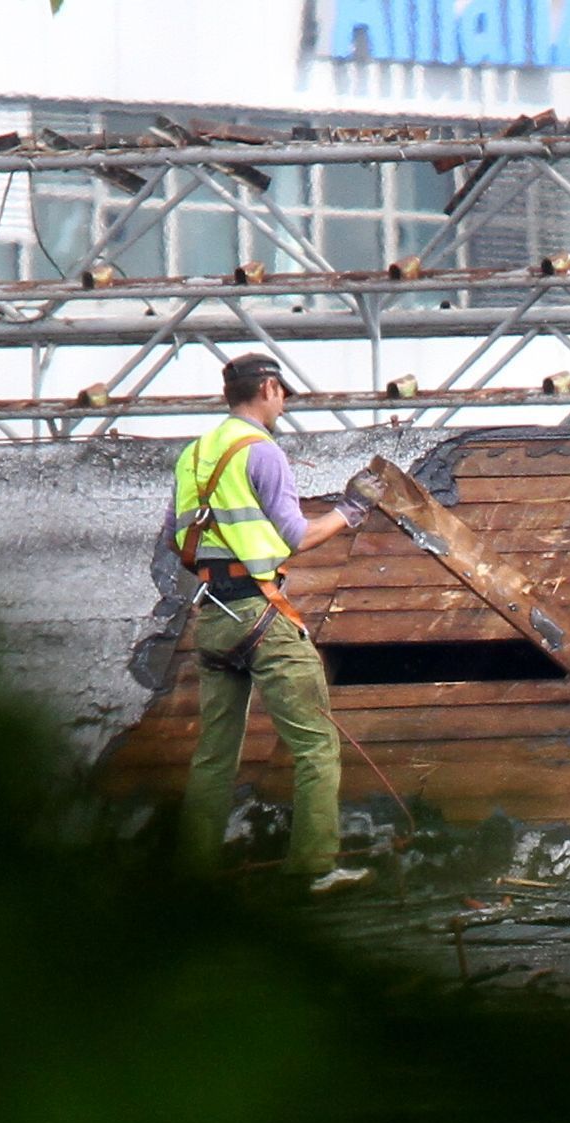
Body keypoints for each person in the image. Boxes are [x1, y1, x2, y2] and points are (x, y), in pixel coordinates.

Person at [168, 353, 385, 893]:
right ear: (267, 388)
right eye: (283, 393)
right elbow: (297, 537)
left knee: (215, 754)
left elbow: (180, 541)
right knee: (315, 745)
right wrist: (351, 509)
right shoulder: (263, 452)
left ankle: (192, 875)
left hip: (213, 615)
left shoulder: (194, 455)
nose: (283, 402)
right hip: (260, 614)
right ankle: (315, 868)